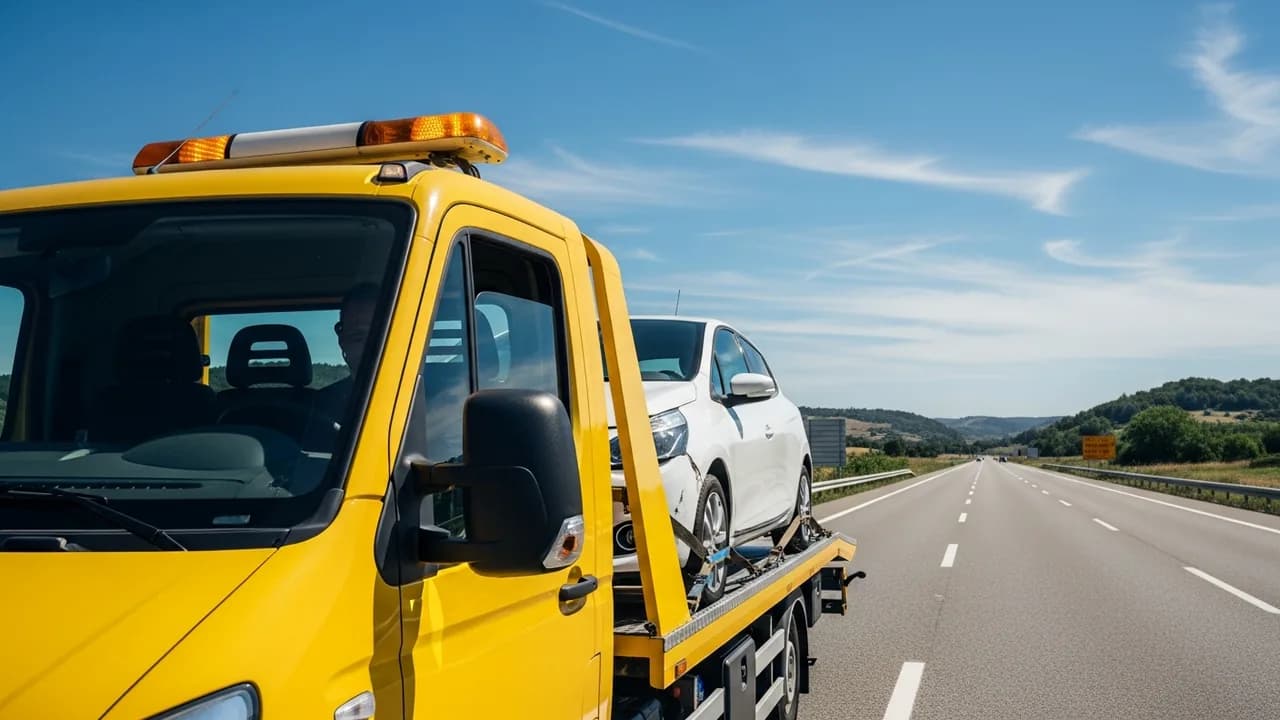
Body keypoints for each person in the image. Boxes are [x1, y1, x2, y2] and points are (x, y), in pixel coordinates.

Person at [312, 282, 379, 424]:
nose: (371, 346)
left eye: (381, 335)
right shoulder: (321, 406)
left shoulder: (424, 396)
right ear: (341, 339)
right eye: (358, 336)